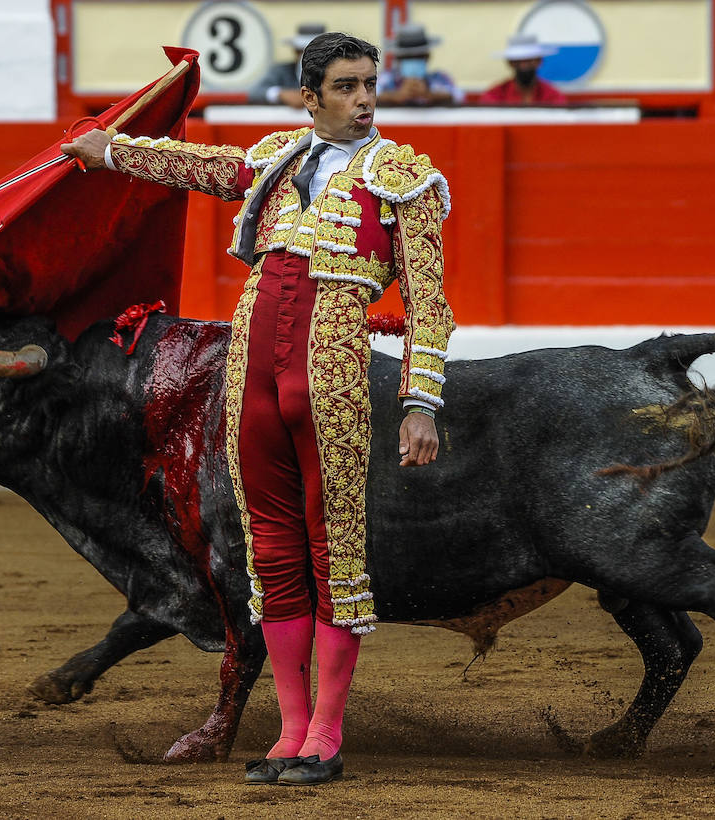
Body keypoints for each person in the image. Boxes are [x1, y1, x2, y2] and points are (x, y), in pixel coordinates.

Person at [62, 32, 454, 786]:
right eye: (345, 86)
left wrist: (421, 403)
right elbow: (200, 167)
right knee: (270, 551)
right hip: (253, 365)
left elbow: (430, 305)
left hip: (332, 366)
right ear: (309, 97)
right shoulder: (278, 157)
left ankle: (329, 733)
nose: (365, 98)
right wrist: (107, 150)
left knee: (333, 546)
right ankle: (292, 728)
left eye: (370, 83)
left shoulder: (405, 176)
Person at [376, 23, 463, 106]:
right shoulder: (387, 78)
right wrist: (396, 96)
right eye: (407, 57)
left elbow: (458, 95)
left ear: (427, 57)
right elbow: (371, 96)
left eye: (419, 56)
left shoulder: (439, 78)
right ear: (398, 59)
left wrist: (429, 95)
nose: (413, 61)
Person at [248, 22, 324, 107]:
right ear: (296, 51)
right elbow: (254, 92)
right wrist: (280, 93)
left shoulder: (332, 72)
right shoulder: (282, 71)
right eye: (303, 51)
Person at [480, 33, 568, 105]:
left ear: (539, 61)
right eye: (518, 61)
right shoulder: (496, 95)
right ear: (510, 63)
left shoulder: (552, 95)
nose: (524, 65)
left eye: (529, 60)